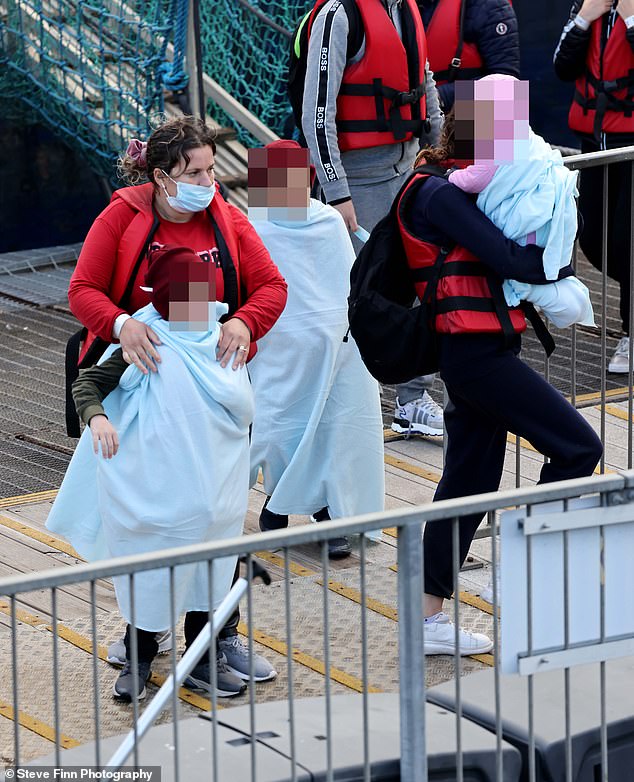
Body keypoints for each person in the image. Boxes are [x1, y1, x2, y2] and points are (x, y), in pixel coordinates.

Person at [61, 116, 287, 695]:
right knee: (156, 518)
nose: (209, 181)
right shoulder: (124, 218)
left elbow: (271, 287)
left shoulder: (227, 220)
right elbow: (82, 288)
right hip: (140, 395)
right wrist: (119, 326)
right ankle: (146, 633)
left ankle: (218, 636)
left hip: (209, 400)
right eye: (195, 172)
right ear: (162, 177)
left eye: (212, 169)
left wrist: (242, 320)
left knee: (215, 514)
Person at [395, 107, 603, 654]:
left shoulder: (465, 188)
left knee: (467, 482)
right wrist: (552, 257)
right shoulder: (436, 193)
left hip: (481, 347)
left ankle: (426, 620)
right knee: (579, 445)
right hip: (472, 354)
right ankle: (523, 562)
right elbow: (514, 259)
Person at [300, 0, 446, 437]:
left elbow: (426, 82)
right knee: (355, 296)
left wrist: (444, 157)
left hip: (409, 167)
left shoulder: (405, 10)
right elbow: (317, 113)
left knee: (420, 285)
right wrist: (337, 191)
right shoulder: (338, 16)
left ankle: (412, 398)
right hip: (358, 182)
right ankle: (338, 405)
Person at [247, 140, 385, 558]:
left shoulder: (327, 222)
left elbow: (346, 285)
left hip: (336, 344)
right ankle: (277, 499)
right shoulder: (253, 228)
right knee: (278, 427)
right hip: (280, 344)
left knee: (336, 427)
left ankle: (329, 512)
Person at [448, 74, 595, 330]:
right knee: (550, 281)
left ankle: (519, 287)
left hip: (521, 219)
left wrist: (451, 178)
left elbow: (476, 179)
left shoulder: (495, 140)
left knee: (513, 260)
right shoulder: (528, 137)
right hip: (543, 216)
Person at [554, 0, 634, 372]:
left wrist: (631, 19)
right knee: (594, 239)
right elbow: (562, 67)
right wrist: (586, 18)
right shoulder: (588, 7)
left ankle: (630, 332)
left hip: (630, 143)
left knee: (627, 239)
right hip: (594, 140)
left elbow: (500, 67)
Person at [417, 0, 520, 112]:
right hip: (419, 117)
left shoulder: (490, 6)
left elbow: (506, 85)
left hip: (472, 118)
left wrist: (438, 96)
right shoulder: (402, 8)